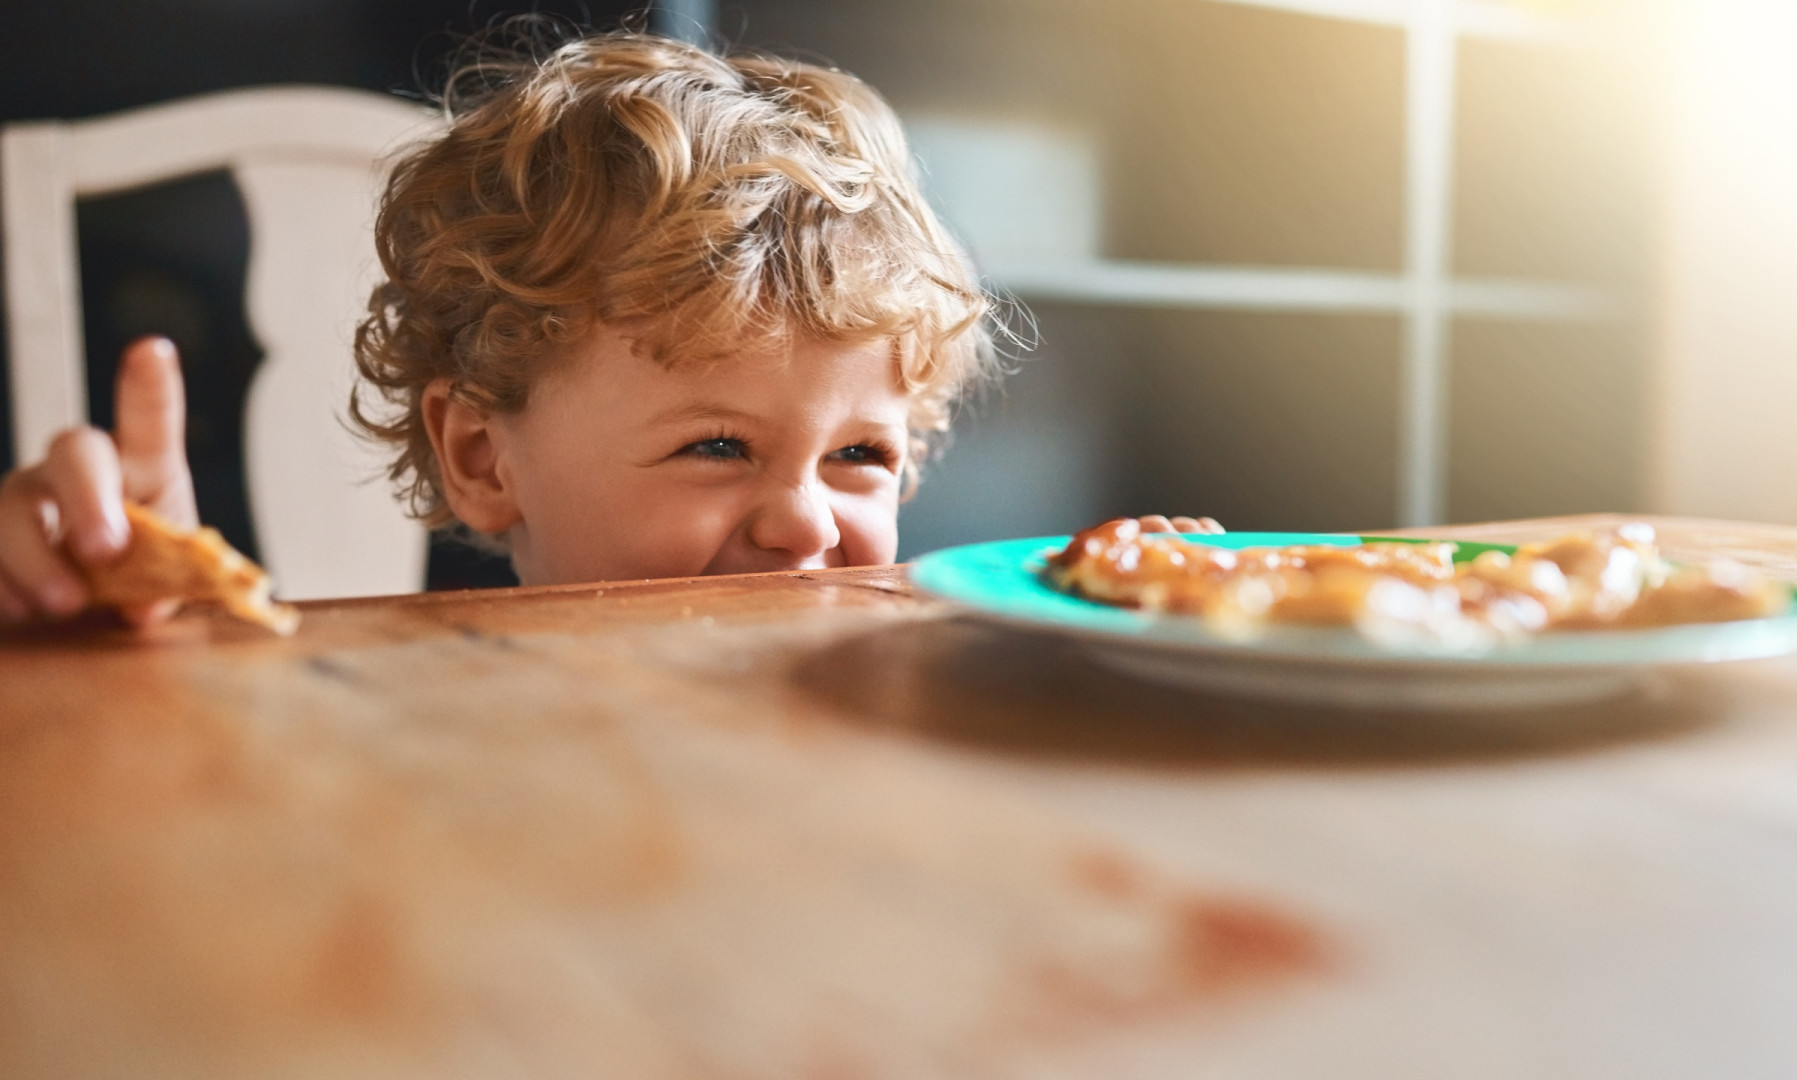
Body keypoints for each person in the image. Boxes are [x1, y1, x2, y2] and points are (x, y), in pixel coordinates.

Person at [0, 27, 1218, 627]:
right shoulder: (423, 750)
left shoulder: (904, 680)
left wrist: (1153, 610)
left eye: (861, 456)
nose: (808, 520)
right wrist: (127, 651)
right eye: (717, 446)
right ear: (483, 459)